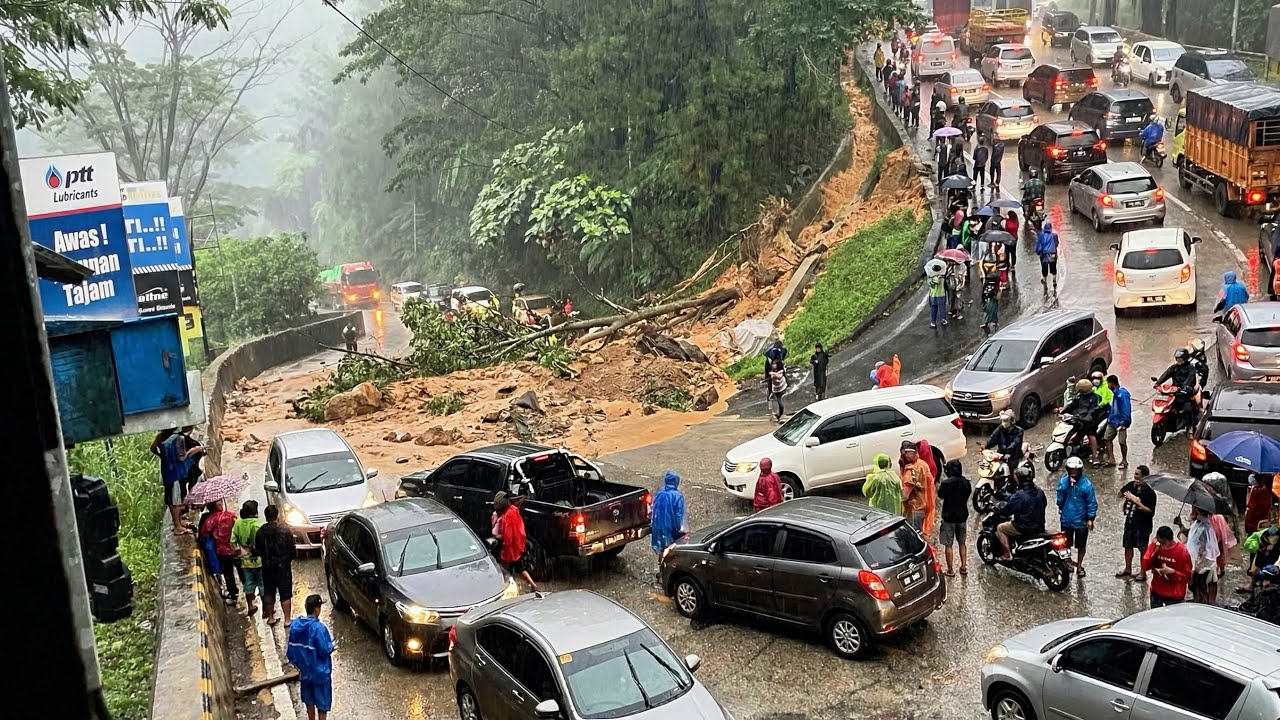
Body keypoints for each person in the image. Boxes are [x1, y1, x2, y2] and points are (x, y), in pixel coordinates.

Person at [287, 594, 334, 720]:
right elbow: (325, 650)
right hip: (320, 674)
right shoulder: (319, 629)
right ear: (317, 609)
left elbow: (290, 653)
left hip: (305, 673)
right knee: (322, 704)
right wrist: (332, 646)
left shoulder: (295, 626)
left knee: (309, 701)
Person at [1057, 456, 1098, 577]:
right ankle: (1068, 562)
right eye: (1071, 469)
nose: (1073, 472)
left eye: (1076, 470)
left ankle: (1079, 565)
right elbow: (1060, 499)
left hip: (1081, 521)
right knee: (1065, 544)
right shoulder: (1064, 482)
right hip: (1066, 519)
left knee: (1081, 545)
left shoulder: (1086, 485)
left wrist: (1090, 518)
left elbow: (1092, 503)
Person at [255, 505, 296, 626]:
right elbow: (292, 548)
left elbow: (257, 549)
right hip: (283, 566)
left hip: (267, 567)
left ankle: (271, 618)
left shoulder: (260, 532)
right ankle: (287, 619)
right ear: (277, 515)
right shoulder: (284, 530)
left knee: (269, 591)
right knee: (285, 592)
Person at [1117, 465, 1157, 580]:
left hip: (1143, 525)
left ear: (1144, 477)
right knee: (1127, 546)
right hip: (1129, 521)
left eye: (1137, 475)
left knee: (1142, 548)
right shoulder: (1131, 486)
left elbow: (1150, 512)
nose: (1135, 477)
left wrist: (1137, 502)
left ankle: (1143, 572)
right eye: (1134, 474)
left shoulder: (1150, 493)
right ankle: (1127, 568)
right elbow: (1120, 494)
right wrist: (1124, 496)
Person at [998, 467, 1047, 561]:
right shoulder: (1039, 491)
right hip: (1039, 525)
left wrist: (1001, 509)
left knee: (1001, 528)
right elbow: (1044, 504)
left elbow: (1008, 510)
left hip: (1024, 527)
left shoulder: (1020, 495)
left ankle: (1007, 555)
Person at [495, 493, 539, 592]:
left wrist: (503, 543)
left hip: (509, 550)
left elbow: (508, 535)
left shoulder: (508, 515)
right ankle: (533, 586)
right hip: (517, 546)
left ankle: (501, 592)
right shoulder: (514, 511)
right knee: (521, 568)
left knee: (505, 573)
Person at [198, 500, 239, 605]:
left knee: (228, 573)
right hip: (235, 548)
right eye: (219, 502)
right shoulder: (231, 516)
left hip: (222, 550)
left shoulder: (211, 520)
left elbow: (203, 533)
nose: (221, 503)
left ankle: (233, 594)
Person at [1143, 525, 1193, 607]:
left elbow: (1187, 576)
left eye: (1163, 543)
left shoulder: (1182, 552)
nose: (1162, 546)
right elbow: (1145, 566)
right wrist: (1151, 548)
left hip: (1174, 595)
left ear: (1168, 540)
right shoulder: (1156, 548)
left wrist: (1172, 572)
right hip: (1157, 592)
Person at [938, 459, 972, 576]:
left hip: (949, 518)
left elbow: (940, 495)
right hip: (962, 516)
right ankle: (963, 566)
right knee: (962, 543)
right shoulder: (966, 482)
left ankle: (950, 569)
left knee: (949, 545)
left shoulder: (946, 484)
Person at [231, 500, 265, 617]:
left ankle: (250, 606)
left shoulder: (238, 524)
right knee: (262, 585)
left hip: (245, 562)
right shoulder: (258, 525)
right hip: (259, 561)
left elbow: (233, 541)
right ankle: (266, 608)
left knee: (248, 584)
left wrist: (241, 550)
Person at [1185, 506, 1221, 604]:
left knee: (1200, 584)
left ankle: (1203, 601)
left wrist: (1201, 551)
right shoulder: (1202, 525)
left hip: (1203, 562)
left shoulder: (1203, 528)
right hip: (1203, 561)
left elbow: (1199, 544)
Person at [900, 441, 936, 538]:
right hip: (924, 505)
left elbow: (904, 496)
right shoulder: (923, 464)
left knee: (915, 536)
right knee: (922, 534)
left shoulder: (910, 470)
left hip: (914, 509)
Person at [650, 471, 686, 557]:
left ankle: (661, 562)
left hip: (658, 526)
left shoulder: (660, 493)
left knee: (661, 547)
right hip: (670, 528)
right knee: (671, 550)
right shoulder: (677, 496)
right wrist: (680, 530)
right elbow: (679, 515)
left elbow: (653, 509)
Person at [1104, 375, 1132, 468]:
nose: (1107, 385)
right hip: (1112, 420)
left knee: (1122, 442)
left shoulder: (1122, 394)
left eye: (1108, 383)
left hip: (1121, 422)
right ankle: (1111, 459)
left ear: (1112, 383)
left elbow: (1125, 408)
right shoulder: (1114, 394)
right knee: (1107, 439)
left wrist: (1124, 422)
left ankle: (1124, 460)